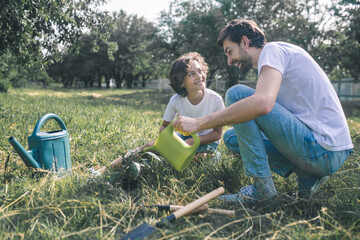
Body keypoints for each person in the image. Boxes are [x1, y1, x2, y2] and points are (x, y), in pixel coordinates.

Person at [172, 19, 354, 202]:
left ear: (244, 41)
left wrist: (199, 123)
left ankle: (263, 191)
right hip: (325, 150)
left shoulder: (272, 51)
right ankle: (308, 176)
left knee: (236, 94)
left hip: (324, 147)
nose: (229, 61)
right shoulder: (275, 58)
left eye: (230, 52)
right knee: (232, 139)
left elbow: (262, 104)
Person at [93, 52, 225, 174]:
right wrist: (169, 142)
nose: (199, 76)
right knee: (149, 146)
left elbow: (218, 134)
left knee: (196, 158)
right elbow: (164, 127)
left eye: (200, 71)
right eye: (191, 74)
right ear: (181, 82)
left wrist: (192, 142)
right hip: (184, 139)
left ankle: (211, 156)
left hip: (207, 141)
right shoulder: (176, 101)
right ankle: (103, 170)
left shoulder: (215, 99)